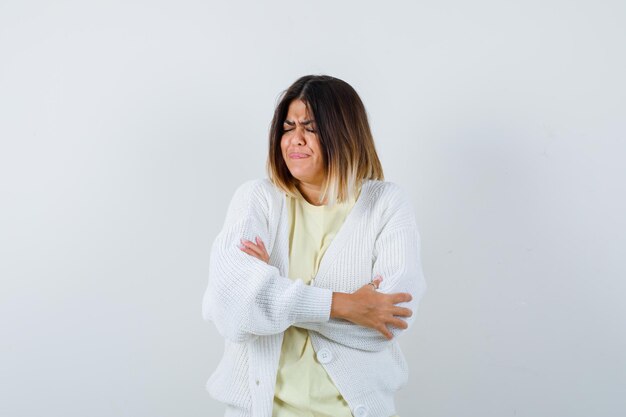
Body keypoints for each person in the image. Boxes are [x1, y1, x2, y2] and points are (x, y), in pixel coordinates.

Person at [202, 75, 427, 417]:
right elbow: (232, 309)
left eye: (311, 128)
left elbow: (387, 324)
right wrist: (346, 305)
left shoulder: (386, 204)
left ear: (344, 132)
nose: (295, 140)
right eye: (288, 127)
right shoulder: (256, 199)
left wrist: (271, 292)